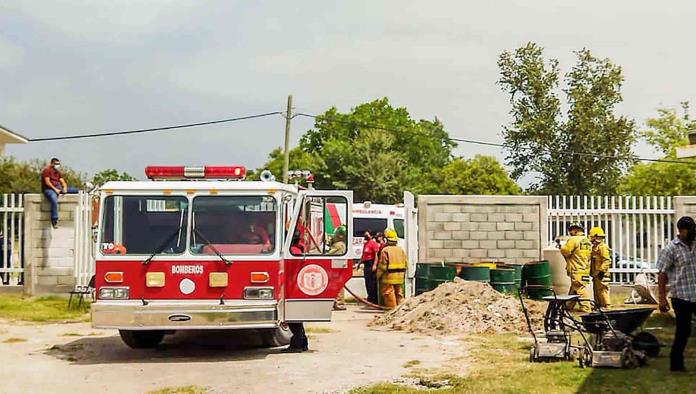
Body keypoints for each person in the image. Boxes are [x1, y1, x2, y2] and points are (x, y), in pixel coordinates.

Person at [657, 216, 696, 373]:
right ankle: (676, 365)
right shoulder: (670, 249)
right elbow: (662, 274)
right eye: (690, 230)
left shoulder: (695, 244)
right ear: (681, 231)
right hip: (681, 297)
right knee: (683, 332)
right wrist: (662, 299)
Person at [283, 233, 309, 353]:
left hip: (291, 286)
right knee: (297, 318)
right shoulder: (299, 249)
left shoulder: (292, 251)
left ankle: (297, 344)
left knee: (293, 318)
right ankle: (302, 342)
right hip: (297, 285)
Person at [559, 222, 592, 313]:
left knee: (579, 288)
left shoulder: (573, 240)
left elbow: (566, 251)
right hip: (585, 269)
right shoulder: (586, 240)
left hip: (576, 269)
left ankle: (586, 307)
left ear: (575, 230)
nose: (569, 232)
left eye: (570, 230)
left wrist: (561, 247)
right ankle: (568, 306)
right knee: (574, 288)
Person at [376, 228, 407, 310]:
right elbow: (406, 263)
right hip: (400, 276)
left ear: (386, 239)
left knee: (388, 293)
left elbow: (382, 266)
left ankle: (391, 311)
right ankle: (401, 310)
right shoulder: (401, 250)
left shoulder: (385, 250)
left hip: (388, 277)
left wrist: (378, 275)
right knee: (399, 293)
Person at [41, 158, 77, 229]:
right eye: (56, 164)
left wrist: (65, 188)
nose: (58, 165)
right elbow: (47, 182)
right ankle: (54, 219)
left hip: (58, 187)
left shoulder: (57, 172)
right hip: (49, 189)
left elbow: (62, 181)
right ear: (52, 163)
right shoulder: (47, 170)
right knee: (54, 198)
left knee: (75, 190)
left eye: (58, 164)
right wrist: (55, 189)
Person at [589, 227, 611, 309]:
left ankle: (607, 306)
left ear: (595, 237)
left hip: (601, 274)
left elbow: (607, 260)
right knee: (596, 291)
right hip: (596, 274)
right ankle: (598, 305)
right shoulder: (595, 247)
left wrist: (601, 271)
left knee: (602, 290)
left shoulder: (602, 247)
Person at [328, 225, 347, 311]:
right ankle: (339, 303)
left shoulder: (338, 245)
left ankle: (338, 303)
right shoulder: (342, 244)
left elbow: (329, 254)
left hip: (336, 268)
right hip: (339, 268)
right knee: (339, 286)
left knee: (336, 286)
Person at [361, 231, 380, 304]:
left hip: (371, 263)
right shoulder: (366, 244)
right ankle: (369, 297)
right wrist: (359, 264)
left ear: (371, 235)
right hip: (366, 264)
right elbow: (363, 255)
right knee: (367, 282)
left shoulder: (373, 244)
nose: (365, 235)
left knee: (372, 283)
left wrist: (374, 265)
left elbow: (376, 255)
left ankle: (373, 299)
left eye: (367, 234)